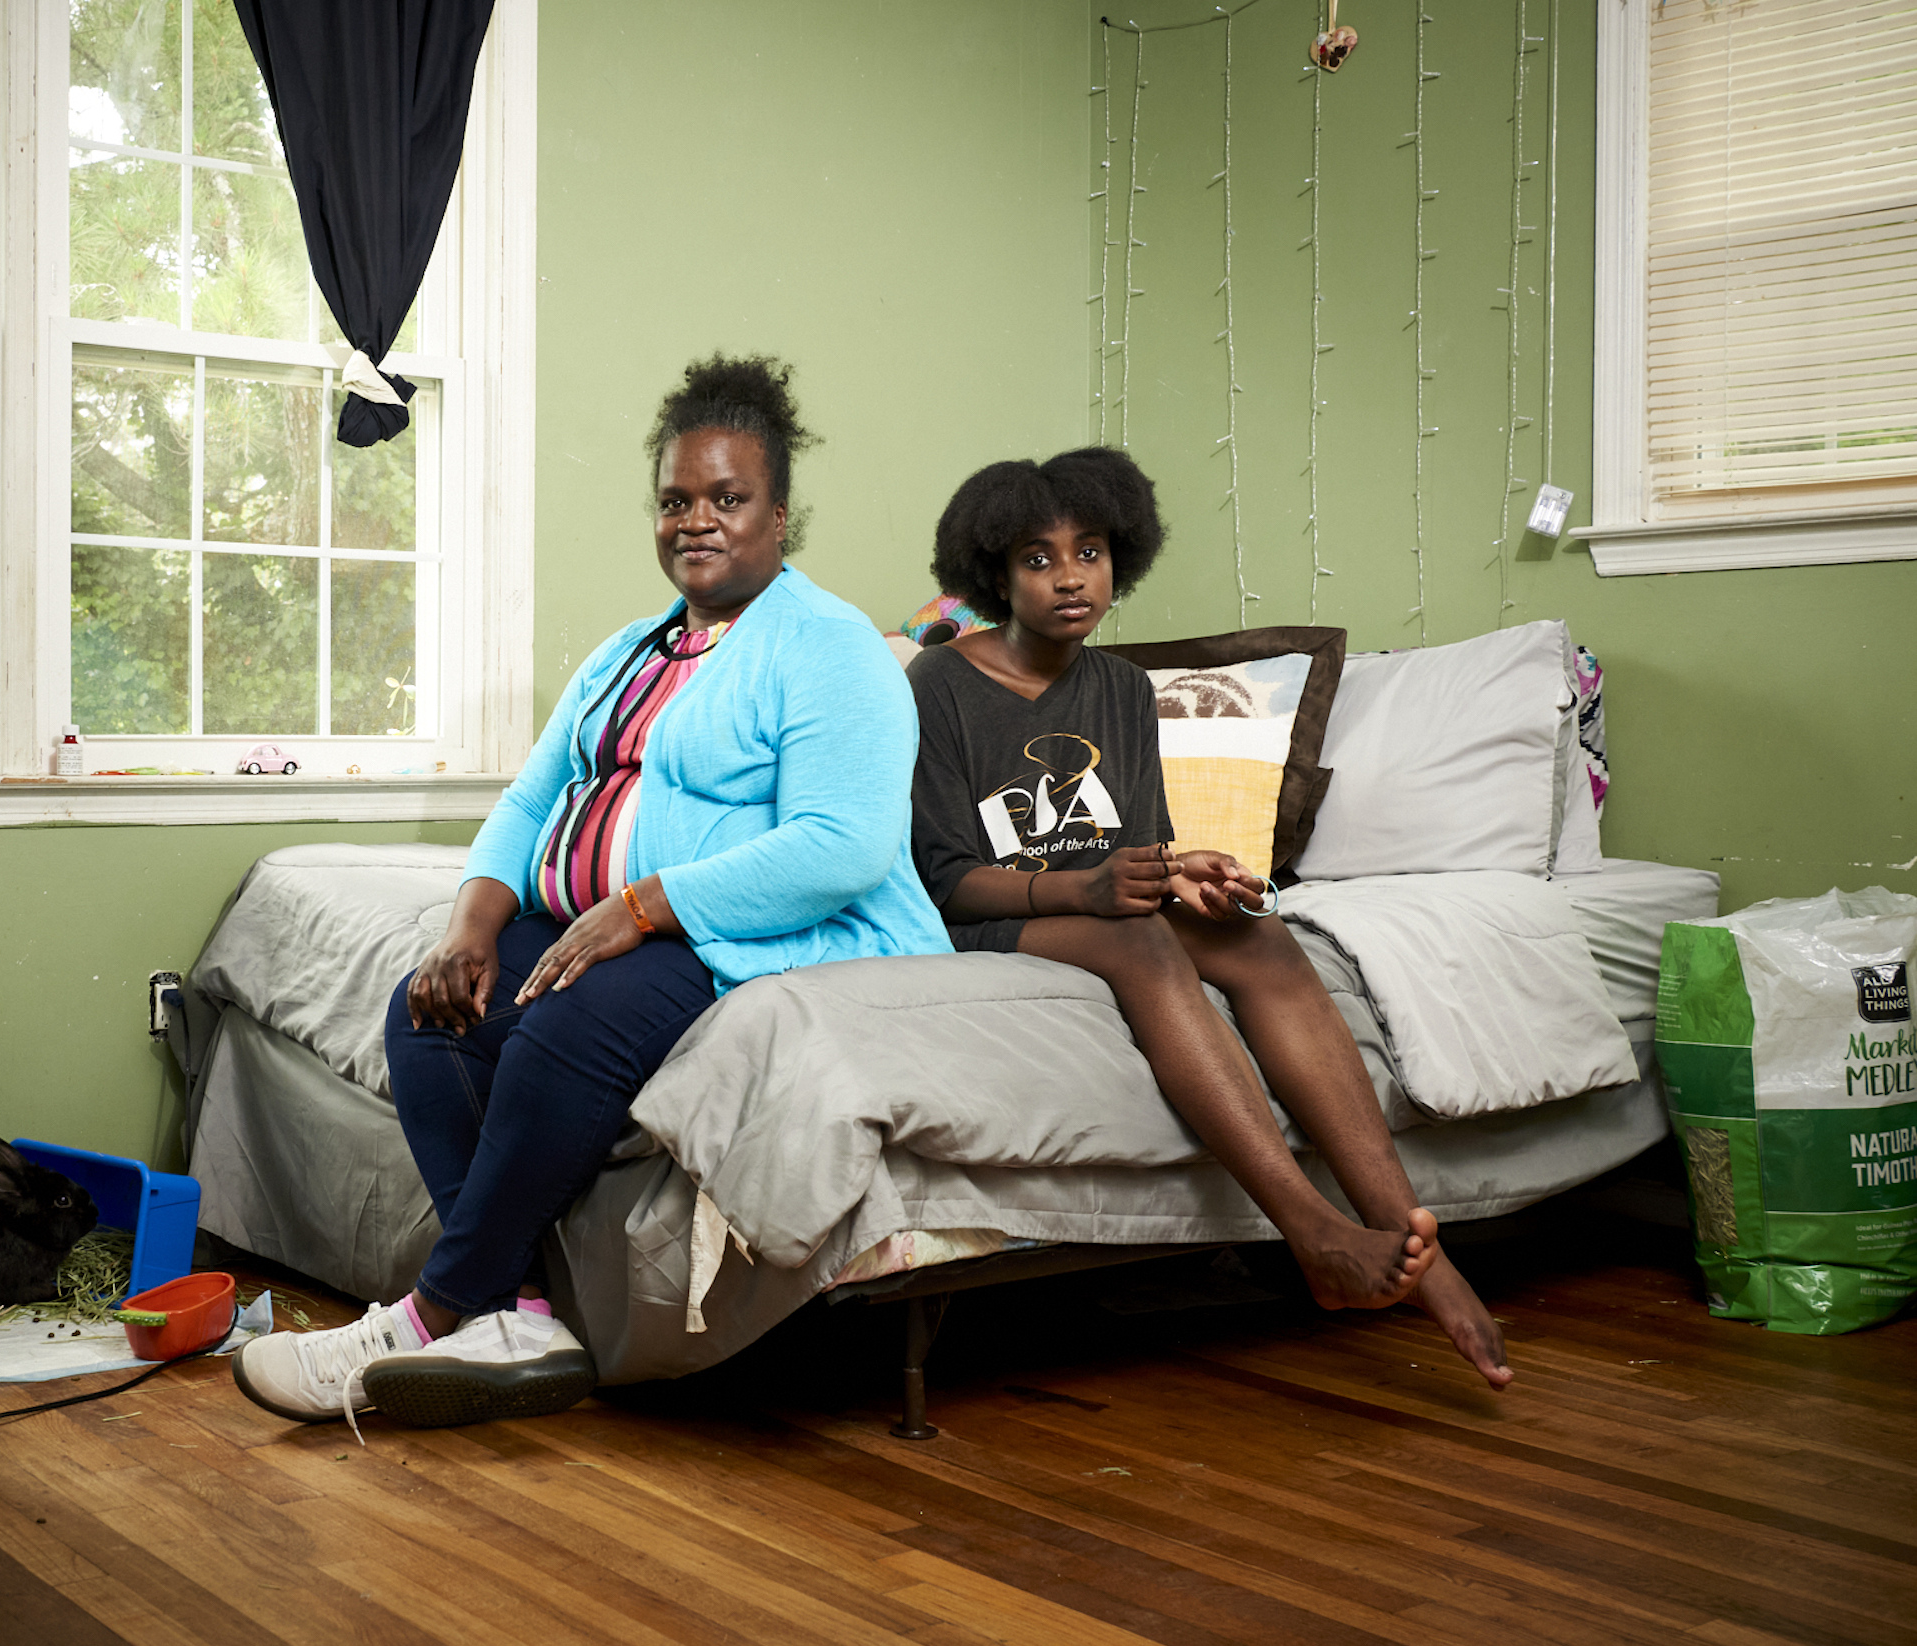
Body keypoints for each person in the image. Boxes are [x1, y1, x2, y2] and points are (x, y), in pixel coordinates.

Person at [232, 354, 953, 1431]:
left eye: (727, 498)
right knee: (429, 1011)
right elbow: (530, 799)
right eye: (675, 499)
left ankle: (426, 1316)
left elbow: (840, 847)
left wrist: (646, 905)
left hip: (762, 934)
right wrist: (472, 925)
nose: (695, 520)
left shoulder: (830, 645)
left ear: (779, 516)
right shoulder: (633, 649)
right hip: (619, 923)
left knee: (560, 1026)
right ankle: (519, 1315)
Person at [906, 448, 1512, 1391]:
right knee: (1138, 937)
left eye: (1091, 551)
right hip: (1002, 912)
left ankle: (1416, 1246)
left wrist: (1187, 873)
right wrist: (1098, 891)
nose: (1071, 576)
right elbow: (947, 878)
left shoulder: (1120, 689)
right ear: (992, 572)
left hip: (1105, 898)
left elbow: (1141, 844)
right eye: (1038, 557)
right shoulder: (937, 686)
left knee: (1265, 940)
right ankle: (1309, 1230)